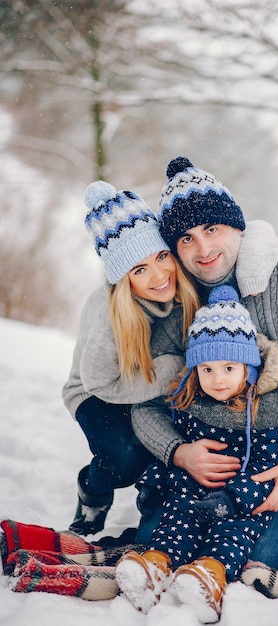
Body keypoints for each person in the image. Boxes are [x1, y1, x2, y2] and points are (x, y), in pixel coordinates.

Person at [131, 156, 278, 580]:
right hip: (212, 454)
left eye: (212, 229)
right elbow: (144, 405)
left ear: (236, 225)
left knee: (258, 559)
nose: (203, 249)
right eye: (186, 239)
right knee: (161, 543)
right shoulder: (181, 308)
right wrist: (180, 453)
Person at [115, 285, 278, 622]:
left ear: (248, 368)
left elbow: (268, 466)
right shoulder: (189, 402)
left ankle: (210, 575)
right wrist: (164, 481)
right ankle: (156, 566)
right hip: (192, 490)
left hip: (240, 501)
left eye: (229, 367)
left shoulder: (268, 409)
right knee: (173, 523)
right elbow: (178, 445)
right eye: (207, 369)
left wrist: (234, 499)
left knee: (231, 535)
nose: (218, 379)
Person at [62, 179, 199, 536]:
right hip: (97, 390)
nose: (159, 275)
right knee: (126, 456)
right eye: (140, 270)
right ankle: (92, 490)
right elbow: (99, 381)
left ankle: (156, 509)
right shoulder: (109, 319)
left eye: (161, 257)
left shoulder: (183, 288)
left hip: (148, 383)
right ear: (124, 279)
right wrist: (173, 369)